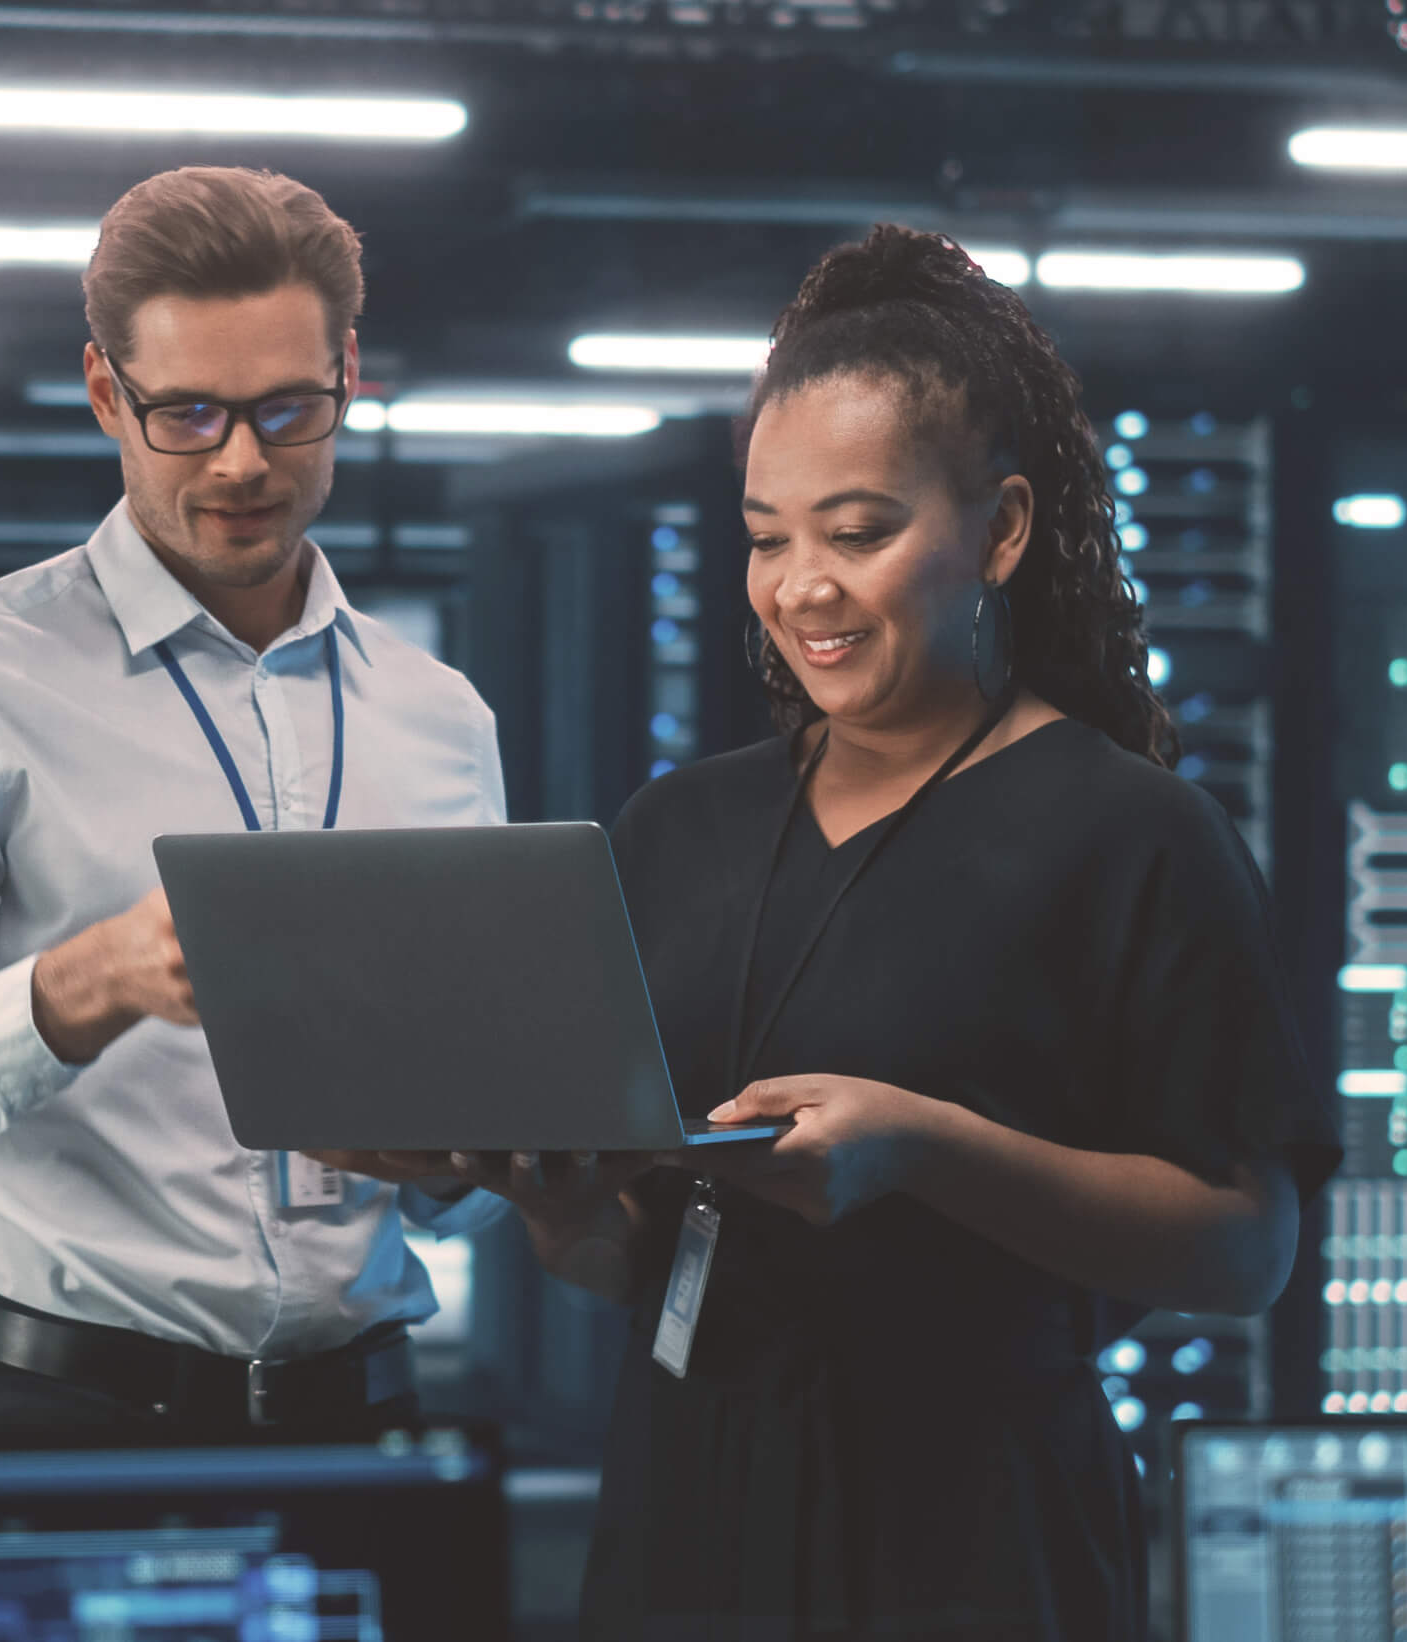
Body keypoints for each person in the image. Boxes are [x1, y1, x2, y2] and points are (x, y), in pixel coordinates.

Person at [457, 224, 1342, 1639]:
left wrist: (924, 1145)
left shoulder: (1131, 833)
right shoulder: (675, 829)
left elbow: (1245, 1249)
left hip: (974, 1523)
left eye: (859, 533)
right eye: (766, 537)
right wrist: (562, 1209)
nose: (801, 584)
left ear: (998, 529)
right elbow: (637, 1254)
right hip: (688, 1505)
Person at [0, 166, 507, 1442]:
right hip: (73, 1420)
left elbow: (468, 1178)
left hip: (369, 1413)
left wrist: (477, 1156)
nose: (242, 461)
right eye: (188, 413)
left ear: (347, 373)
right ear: (102, 393)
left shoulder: (439, 715)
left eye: (288, 410)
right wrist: (89, 984)